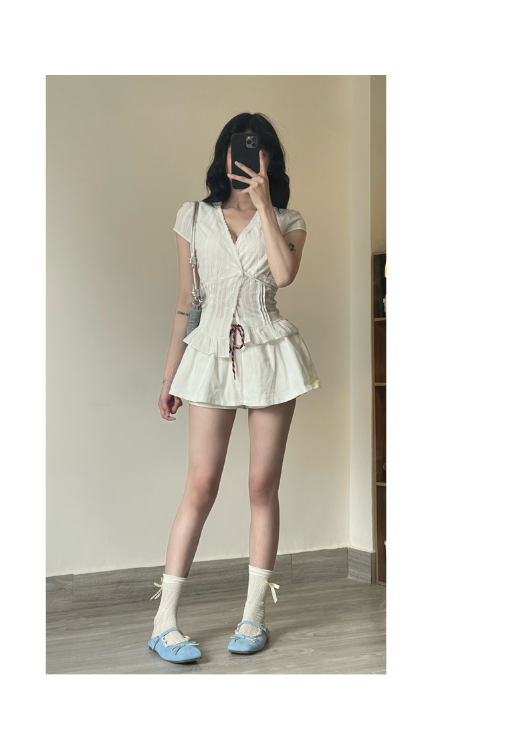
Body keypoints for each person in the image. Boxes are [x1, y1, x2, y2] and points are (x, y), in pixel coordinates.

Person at [149, 113, 321, 664]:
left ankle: (254, 616)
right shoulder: (194, 217)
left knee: (261, 485)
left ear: (269, 159)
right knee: (201, 484)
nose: (243, 157)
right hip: (209, 353)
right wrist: (171, 373)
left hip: (270, 352)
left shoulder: (289, 220)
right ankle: (163, 621)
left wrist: (264, 206)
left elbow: (284, 275)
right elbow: (186, 301)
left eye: (255, 149)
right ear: (223, 155)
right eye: (235, 148)